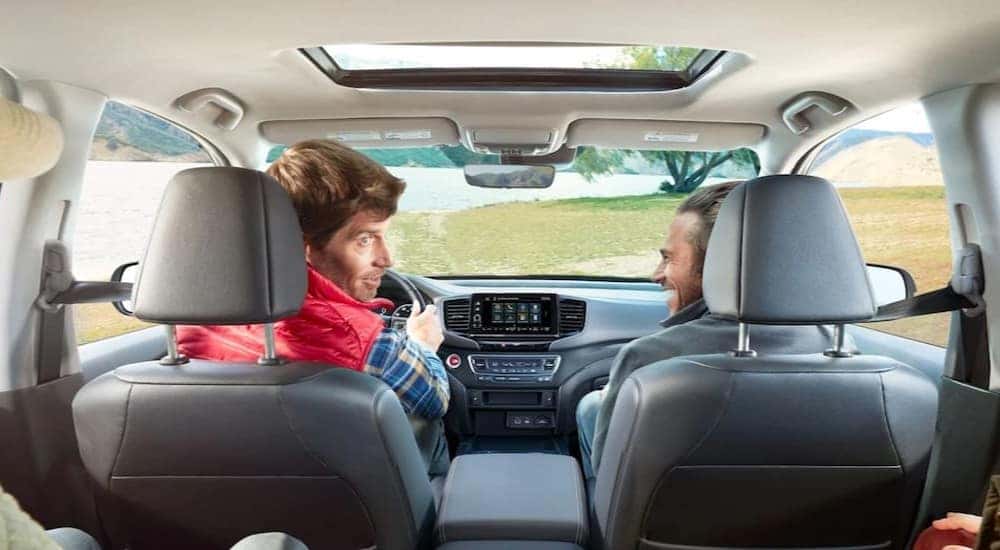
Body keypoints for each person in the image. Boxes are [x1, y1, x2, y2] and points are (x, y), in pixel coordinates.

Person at [176, 140, 450, 475]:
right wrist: (423, 344)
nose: (386, 258)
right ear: (303, 247)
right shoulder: (362, 342)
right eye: (365, 239)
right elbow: (435, 398)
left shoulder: (191, 327)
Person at [576, 181, 852, 479]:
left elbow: (612, 478)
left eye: (668, 258)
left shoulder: (647, 358)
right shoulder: (845, 352)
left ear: (716, 267)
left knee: (591, 407)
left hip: (674, 511)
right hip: (816, 510)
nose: (656, 275)